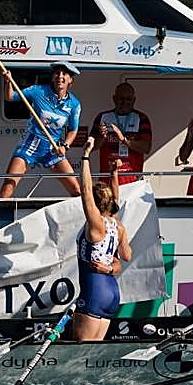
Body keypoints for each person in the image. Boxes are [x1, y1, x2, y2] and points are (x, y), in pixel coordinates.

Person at [74, 135, 131, 341]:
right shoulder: (116, 224)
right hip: (111, 291)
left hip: (94, 291)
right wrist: (114, 174)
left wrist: (85, 156)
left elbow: (86, 192)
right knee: (94, 354)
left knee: (78, 355)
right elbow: (126, 256)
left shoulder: (96, 225)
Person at [0, 63, 82, 198]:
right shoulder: (38, 91)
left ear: (70, 80)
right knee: (8, 186)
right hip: (30, 144)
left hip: (52, 149)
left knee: (77, 190)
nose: (60, 76)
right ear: (52, 77)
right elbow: (10, 97)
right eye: (57, 73)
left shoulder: (74, 104)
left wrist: (65, 146)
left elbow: (73, 130)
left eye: (64, 74)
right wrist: (8, 82)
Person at [90, 82, 152, 186]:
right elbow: (91, 147)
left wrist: (124, 140)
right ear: (114, 99)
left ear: (134, 100)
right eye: (121, 98)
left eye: (128, 99)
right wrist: (102, 137)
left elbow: (146, 148)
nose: (125, 102)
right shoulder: (102, 117)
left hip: (133, 180)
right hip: (107, 179)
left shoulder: (141, 118)